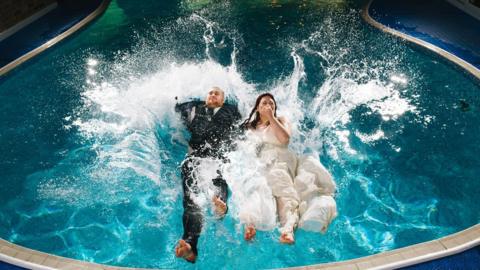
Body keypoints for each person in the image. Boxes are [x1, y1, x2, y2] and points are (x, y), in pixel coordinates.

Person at [239, 93, 337, 244]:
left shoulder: (281, 120)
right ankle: (251, 224)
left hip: (280, 158)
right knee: (257, 186)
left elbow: (285, 140)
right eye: (264, 103)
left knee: (282, 189)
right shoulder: (249, 128)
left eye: (272, 104)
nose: (268, 106)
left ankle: (288, 229)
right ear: (257, 108)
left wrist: (271, 118)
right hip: (262, 161)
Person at [174, 87, 241, 263]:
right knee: (191, 201)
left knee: (219, 184)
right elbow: (175, 108)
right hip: (194, 159)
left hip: (218, 158)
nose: (212, 95)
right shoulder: (193, 107)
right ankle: (190, 245)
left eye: (216, 93)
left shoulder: (232, 111)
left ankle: (221, 207)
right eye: (210, 93)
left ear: (223, 99)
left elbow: (242, 132)